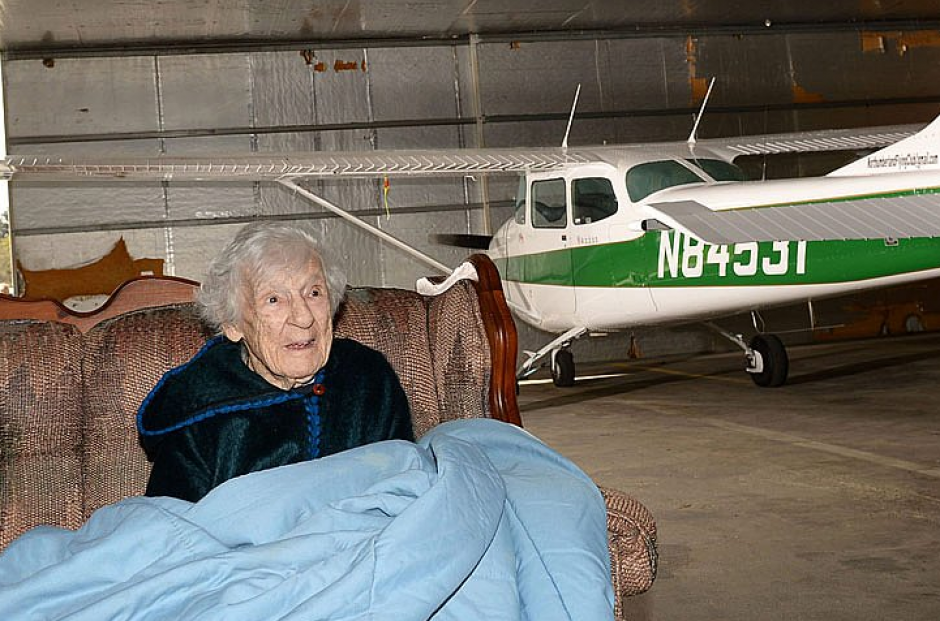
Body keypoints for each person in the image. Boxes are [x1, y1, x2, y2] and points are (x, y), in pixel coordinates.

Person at [137, 221, 414, 502]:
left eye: (314, 293)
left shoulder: (366, 377)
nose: (303, 317)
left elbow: (405, 488)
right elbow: (170, 532)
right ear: (233, 325)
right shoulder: (197, 413)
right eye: (273, 299)